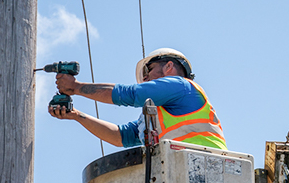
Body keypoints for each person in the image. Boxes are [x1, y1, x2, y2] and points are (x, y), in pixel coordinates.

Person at [47, 48, 227, 150]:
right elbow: (119, 136)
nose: (145, 80)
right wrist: (76, 115)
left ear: (169, 67)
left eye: (147, 72)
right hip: (181, 172)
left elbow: (132, 94)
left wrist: (77, 88)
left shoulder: (182, 86)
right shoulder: (154, 117)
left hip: (207, 165)